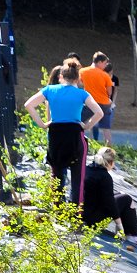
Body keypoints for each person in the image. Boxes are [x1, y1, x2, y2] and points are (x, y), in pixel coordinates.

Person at [23, 62, 103, 203]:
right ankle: (76, 213)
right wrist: (87, 126)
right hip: (75, 136)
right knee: (78, 179)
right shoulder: (82, 94)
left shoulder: (50, 90)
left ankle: (58, 210)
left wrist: (42, 124)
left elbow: (28, 105)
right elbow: (99, 112)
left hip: (56, 136)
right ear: (78, 78)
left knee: (57, 175)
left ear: (61, 76)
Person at [82, 147, 137, 249]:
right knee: (126, 199)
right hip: (92, 220)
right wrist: (119, 225)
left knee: (120, 194)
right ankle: (134, 235)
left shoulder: (86, 169)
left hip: (82, 214)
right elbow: (110, 204)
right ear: (110, 162)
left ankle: (131, 232)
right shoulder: (105, 177)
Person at [80, 51, 113, 143]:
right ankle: (109, 149)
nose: (106, 65)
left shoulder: (82, 71)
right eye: (105, 63)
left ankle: (81, 142)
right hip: (105, 104)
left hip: (90, 103)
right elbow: (109, 92)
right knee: (106, 129)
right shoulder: (105, 75)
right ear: (99, 62)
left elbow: (79, 84)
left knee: (80, 122)